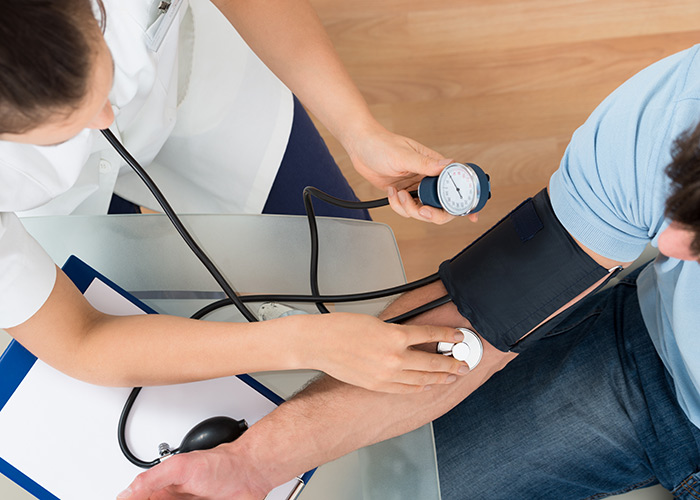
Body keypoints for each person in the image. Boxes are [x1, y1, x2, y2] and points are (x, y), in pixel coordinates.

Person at [121, 43, 700, 499]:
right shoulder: (673, 114)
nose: (666, 244)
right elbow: (484, 309)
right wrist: (251, 463)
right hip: (650, 365)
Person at [0, 0, 470, 395]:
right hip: (57, 202)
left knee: (351, 273)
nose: (107, 119)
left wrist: (358, 128)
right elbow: (81, 339)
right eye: (59, 134)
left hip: (196, 88)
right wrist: (303, 343)